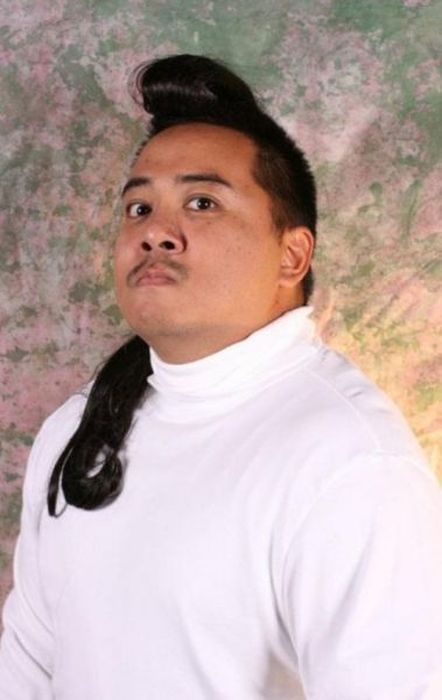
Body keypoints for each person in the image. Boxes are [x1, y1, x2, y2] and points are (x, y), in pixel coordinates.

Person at [1, 54, 441, 700]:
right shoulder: (77, 428)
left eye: (202, 202)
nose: (156, 232)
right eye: (139, 208)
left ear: (292, 254)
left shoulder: (350, 464)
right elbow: (26, 667)